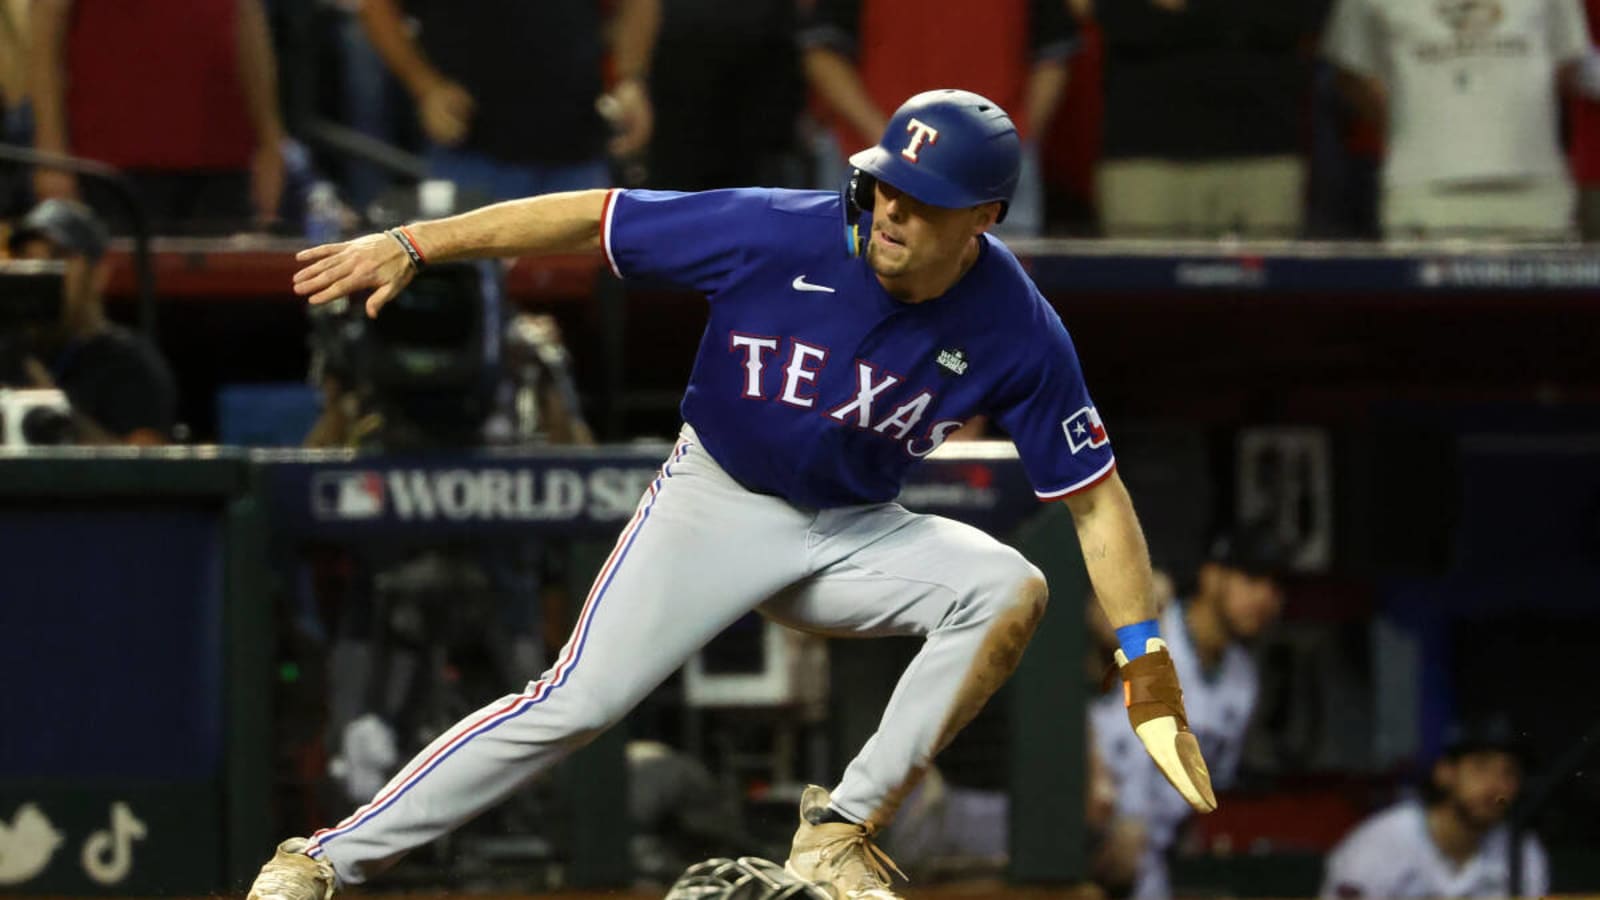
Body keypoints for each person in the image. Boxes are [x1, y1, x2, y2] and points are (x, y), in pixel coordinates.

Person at [246, 89, 1217, 900]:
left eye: (921, 202)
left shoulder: (1018, 325)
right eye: (885, 185)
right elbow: (597, 216)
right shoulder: (777, 231)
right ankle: (319, 862)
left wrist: (1146, 663)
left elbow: (1094, 498)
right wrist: (420, 243)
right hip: (715, 498)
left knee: (1009, 587)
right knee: (576, 702)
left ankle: (838, 829)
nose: (889, 210)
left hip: (851, 530)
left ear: (985, 218)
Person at [1089, 524, 1286, 899]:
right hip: (1082, 824)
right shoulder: (1152, 621)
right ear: (1212, 577)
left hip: (1147, 858)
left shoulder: (1243, 681)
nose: (1265, 598)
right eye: (1252, 578)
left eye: (1276, 587)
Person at [800, 0, 1078, 237]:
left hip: (992, 171)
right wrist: (890, 142)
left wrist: (1013, 142)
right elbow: (823, 53)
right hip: (872, 163)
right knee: (857, 289)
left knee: (996, 292)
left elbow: (1052, 54)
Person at [1323, 0, 1594, 240]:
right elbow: (1352, 72)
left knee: (1547, 297)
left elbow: (1567, 63)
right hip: (1423, 190)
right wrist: (1409, 128)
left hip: (1534, 188)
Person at [357, 0, 658, 203]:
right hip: (472, 146)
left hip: (578, 142)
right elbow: (376, 7)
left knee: (579, 289)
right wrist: (426, 87)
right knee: (475, 288)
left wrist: (629, 78)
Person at [28, 0, 286, 235]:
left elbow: (247, 22)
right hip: (113, 169)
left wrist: (269, 141)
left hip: (223, 163)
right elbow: (43, 43)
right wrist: (52, 160)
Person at [1093, 0, 1327, 239]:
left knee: (1276, 275)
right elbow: (1119, 17)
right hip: (1142, 161)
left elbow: (1296, 18)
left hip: (1265, 159)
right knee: (1134, 275)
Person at [3, 199, 176, 444]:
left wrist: (53, 412)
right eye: (27, 258)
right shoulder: (9, 354)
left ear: (98, 275)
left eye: (58, 257)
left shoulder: (129, 363)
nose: (40, 271)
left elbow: (144, 471)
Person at [1320, 718, 1547, 898]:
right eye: (1481, 766)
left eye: (1510, 772)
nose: (1496, 785)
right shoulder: (1381, 841)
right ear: (1445, 773)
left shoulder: (1522, 851)